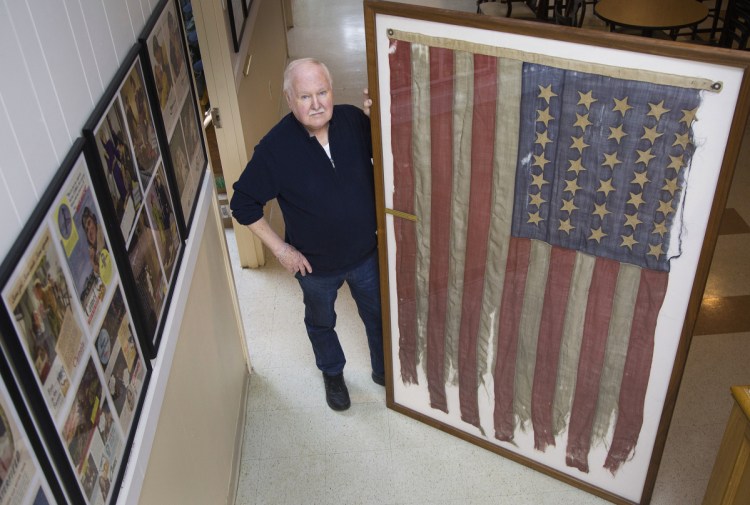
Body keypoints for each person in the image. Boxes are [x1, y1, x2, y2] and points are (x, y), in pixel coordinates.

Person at [230, 58, 384, 411]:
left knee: (376, 316)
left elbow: (389, 153)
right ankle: (332, 374)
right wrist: (282, 250)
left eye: (322, 92)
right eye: (305, 96)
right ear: (289, 99)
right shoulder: (274, 150)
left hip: (366, 253)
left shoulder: (352, 121)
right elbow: (243, 204)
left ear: (332, 91)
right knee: (321, 322)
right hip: (315, 267)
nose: (316, 103)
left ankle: (383, 370)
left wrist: (379, 117)